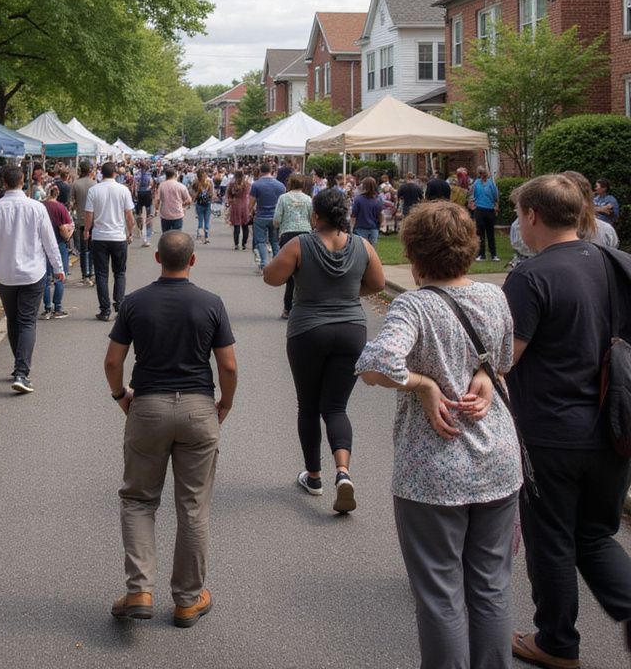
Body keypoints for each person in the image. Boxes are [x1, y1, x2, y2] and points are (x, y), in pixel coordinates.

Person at [356, 201, 522, 669]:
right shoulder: (493, 297)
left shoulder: (414, 305)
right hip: (496, 459)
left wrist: (423, 383)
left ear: (412, 251)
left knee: (440, 594)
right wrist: (486, 375)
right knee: (490, 587)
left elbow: (375, 365)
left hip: (432, 466)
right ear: (469, 247)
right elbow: (503, 359)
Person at [503, 175, 631, 666]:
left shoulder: (531, 277)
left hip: (551, 430)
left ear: (533, 216)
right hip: (615, 423)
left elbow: (507, 357)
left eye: (519, 214)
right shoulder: (615, 263)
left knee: (551, 538)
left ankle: (556, 641)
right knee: (595, 534)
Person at [104, 231, 237, 628]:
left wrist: (120, 396)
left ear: (158, 257)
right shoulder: (211, 303)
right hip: (198, 407)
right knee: (193, 506)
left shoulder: (134, 302)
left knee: (139, 499)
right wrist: (224, 403)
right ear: (192, 261)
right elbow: (227, 366)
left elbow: (113, 361)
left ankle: (140, 589)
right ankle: (187, 599)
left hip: (147, 406)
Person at [263, 188, 384, 511]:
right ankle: (343, 472)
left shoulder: (300, 244)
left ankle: (314, 476)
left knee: (308, 406)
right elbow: (378, 283)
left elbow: (272, 278)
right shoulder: (362, 245)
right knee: (336, 407)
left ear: (315, 216)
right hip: (351, 331)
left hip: (308, 331)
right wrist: (347, 292)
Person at [0, 165, 63, 394]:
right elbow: (49, 240)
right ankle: (21, 372)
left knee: (13, 319)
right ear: (23, 180)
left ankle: (19, 366)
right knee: (26, 321)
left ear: (3, 183)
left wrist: (0, 255)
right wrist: (58, 266)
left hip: (5, 274)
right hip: (32, 273)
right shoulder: (36, 208)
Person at [85, 162, 135, 323]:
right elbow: (129, 215)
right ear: (115, 173)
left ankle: (105, 310)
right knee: (119, 272)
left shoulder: (94, 190)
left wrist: (87, 230)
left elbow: (88, 214)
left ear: (101, 173)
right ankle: (119, 306)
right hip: (118, 236)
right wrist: (130, 232)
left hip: (99, 236)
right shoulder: (123, 190)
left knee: (101, 274)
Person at [273, 174, 312, 318]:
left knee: (290, 274)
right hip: (305, 234)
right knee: (305, 272)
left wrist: (279, 225)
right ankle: (304, 307)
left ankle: (287, 308)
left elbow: (277, 219)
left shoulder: (283, 198)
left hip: (288, 234)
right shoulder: (308, 199)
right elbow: (313, 218)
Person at [559, 170, 619, 248]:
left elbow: (610, 212)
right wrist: (601, 209)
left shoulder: (611, 199)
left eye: (597, 186)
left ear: (604, 188)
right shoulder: (595, 198)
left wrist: (594, 208)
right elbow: (587, 208)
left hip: (597, 229)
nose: (595, 188)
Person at [42, 184, 73, 319]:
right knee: (60, 276)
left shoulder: (40, 206)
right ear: (57, 194)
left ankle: (47, 307)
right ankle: (58, 307)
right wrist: (70, 234)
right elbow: (64, 229)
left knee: (46, 279)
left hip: (42, 245)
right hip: (59, 243)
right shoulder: (61, 208)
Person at [249, 163, 285, 271]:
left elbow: (251, 203)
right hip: (276, 216)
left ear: (260, 171)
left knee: (261, 241)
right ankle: (277, 264)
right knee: (275, 241)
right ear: (272, 171)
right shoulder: (280, 185)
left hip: (261, 216)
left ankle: (264, 263)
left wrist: (250, 212)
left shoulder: (256, 185)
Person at [71, 162, 96, 287]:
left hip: (81, 219)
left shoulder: (75, 184)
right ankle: (91, 272)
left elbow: (70, 203)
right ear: (90, 170)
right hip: (94, 220)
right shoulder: (95, 184)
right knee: (92, 248)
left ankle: (84, 274)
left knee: (83, 249)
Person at [469, 166, 500, 261]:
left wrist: (496, 206)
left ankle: (493, 254)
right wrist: (472, 204)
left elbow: (496, 197)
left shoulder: (491, 184)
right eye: (481, 173)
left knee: (490, 233)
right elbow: (471, 195)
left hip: (489, 210)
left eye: (484, 173)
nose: (483, 175)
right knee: (480, 233)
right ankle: (481, 254)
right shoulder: (476, 184)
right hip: (479, 210)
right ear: (479, 174)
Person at [157, 166, 192, 233]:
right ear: (175, 175)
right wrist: (183, 204)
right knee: (176, 236)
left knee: (166, 235)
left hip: (165, 215)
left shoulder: (161, 185)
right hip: (177, 214)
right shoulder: (181, 186)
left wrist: (156, 209)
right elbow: (189, 200)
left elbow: (157, 200)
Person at [350, 177, 382, 248]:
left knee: (361, 250)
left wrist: (351, 228)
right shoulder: (378, 200)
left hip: (360, 228)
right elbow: (379, 215)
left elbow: (353, 216)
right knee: (372, 251)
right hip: (374, 228)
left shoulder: (358, 199)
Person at [225, 169, 252, 251]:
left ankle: (236, 244)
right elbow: (250, 194)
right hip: (245, 205)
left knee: (236, 225)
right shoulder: (247, 184)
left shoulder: (232, 184)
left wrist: (230, 200)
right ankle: (244, 244)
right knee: (245, 225)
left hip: (235, 204)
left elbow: (228, 194)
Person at [133, 163, 155, 248]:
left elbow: (134, 186)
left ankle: (140, 231)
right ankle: (147, 238)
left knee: (139, 214)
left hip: (139, 194)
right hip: (147, 194)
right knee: (149, 214)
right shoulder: (149, 175)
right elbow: (151, 184)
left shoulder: (136, 174)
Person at [190, 169, 214, 244]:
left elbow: (191, 191)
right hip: (207, 204)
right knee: (207, 221)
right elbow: (211, 193)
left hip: (199, 204)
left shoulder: (196, 182)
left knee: (200, 221)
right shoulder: (209, 182)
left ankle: (200, 236)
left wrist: (194, 197)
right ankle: (206, 237)